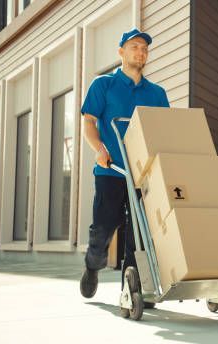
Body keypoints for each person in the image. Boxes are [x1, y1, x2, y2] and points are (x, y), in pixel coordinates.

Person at [79, 28, 169, 299]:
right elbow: (89, 123)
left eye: (144, 48)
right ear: (121, 52)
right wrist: (99, 149)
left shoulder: (157, 93)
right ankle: (92, 267)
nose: (140, 52)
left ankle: (134, 289)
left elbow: (164, 130)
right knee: (104, 228)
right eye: (134, 47)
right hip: (111, 170)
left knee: (140, 234)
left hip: (143, 174)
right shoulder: (103, 85)